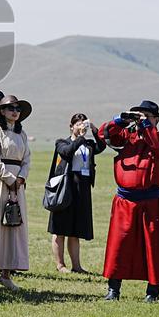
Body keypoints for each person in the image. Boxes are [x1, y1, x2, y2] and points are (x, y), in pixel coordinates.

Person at [99, 101, 159, 303]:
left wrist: (146, 126)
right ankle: (113, 289)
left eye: (147, 116)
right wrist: (120, 120)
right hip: (125, 201)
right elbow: (103, 134)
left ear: (156, 119)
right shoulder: (125, 138)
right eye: (138, 115)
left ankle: (153, 292)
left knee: (154, 246)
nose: (141, 119)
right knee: (119, 245)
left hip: (152, 201)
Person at [0, 95, 33, 291]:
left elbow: (27, 158)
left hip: (17, 185)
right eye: (10, 108)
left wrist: (20, 179)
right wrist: (10, 179)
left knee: (14, 226)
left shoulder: (22, 134)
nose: (15, 111)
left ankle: (6, 274)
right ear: (2, 111)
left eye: (17, 108)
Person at [49, 113, 106, 273]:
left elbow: (101, 146)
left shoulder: (88, 144)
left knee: (76, 229)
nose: (81, 127)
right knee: (60, 228)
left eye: (83, 124)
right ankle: (60, 265)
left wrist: (94, 129)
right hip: (66, 187)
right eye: (78, 124)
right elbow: (67, 152)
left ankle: (77, 266)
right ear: (71, 127)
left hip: (82, 187)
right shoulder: (62, 142)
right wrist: (80, 137)